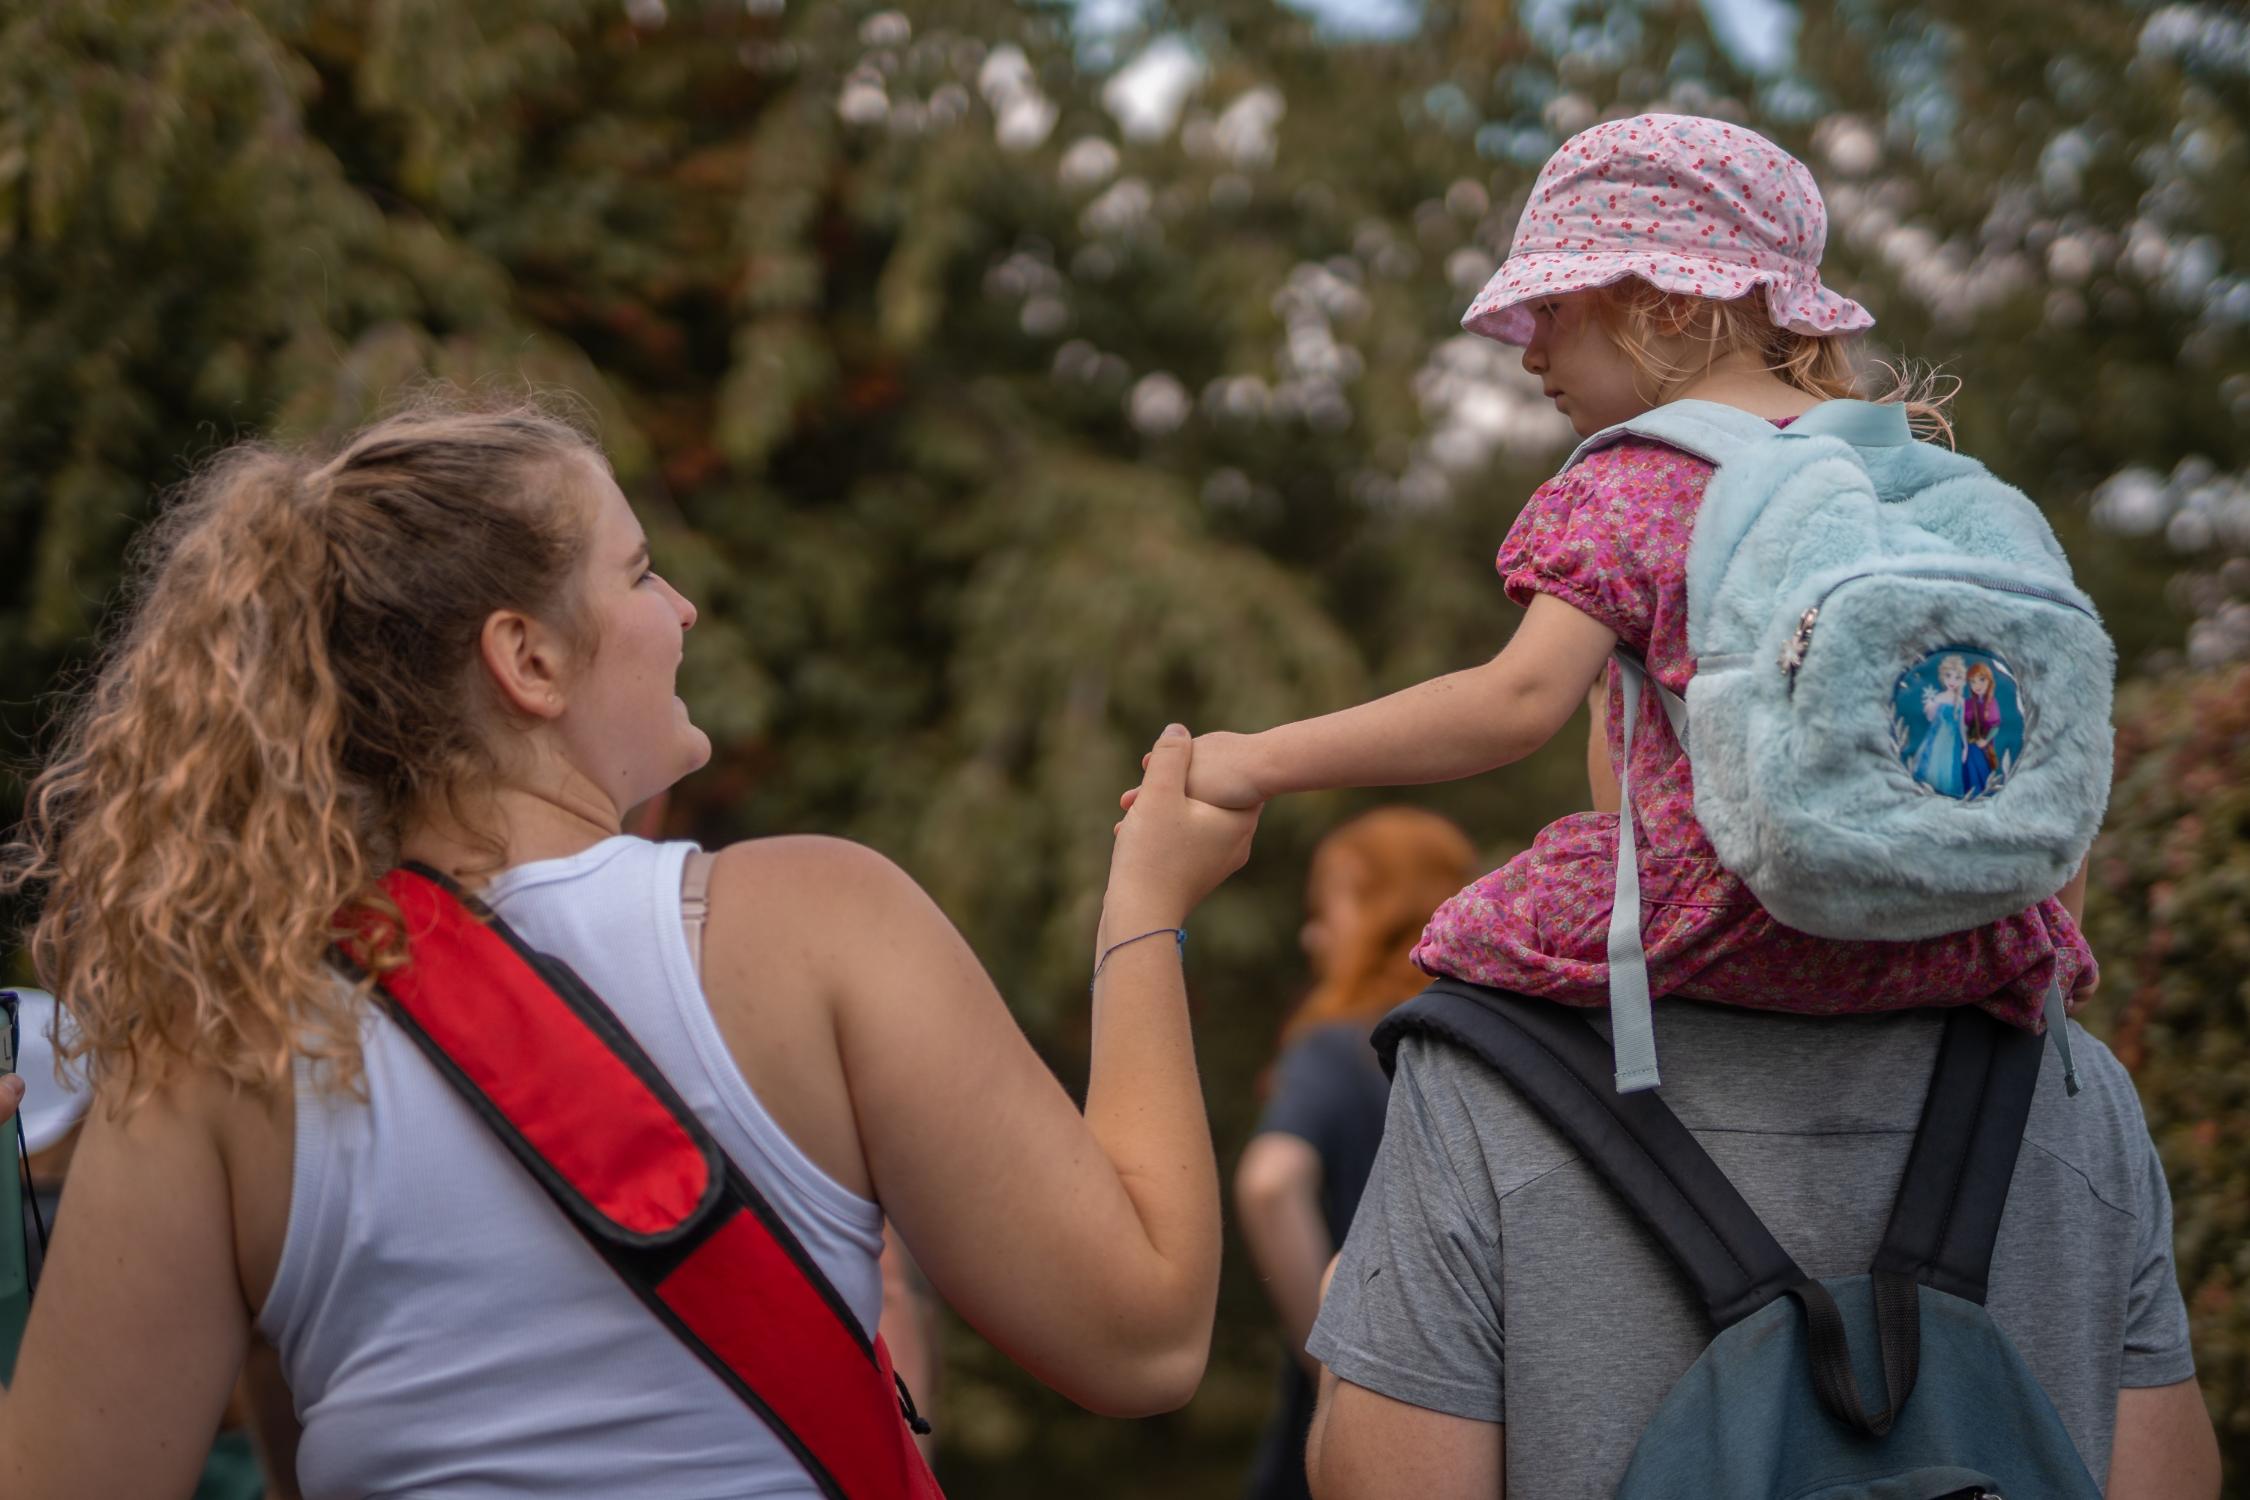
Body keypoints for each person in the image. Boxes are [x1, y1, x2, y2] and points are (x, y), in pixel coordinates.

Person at [0, 396, 1259, 1498]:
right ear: (529, 658)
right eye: (642, 572)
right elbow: (1141, 1340)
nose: (686, 607)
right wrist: (1145, 907)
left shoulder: (219, 1045)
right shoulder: (820, 923)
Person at [1248, 114, 2217, 1495]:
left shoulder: (1641, 483)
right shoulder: (1934, 496)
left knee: (1450, 971)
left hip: (1705, 931)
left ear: (1661, 307)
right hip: (1962, 953)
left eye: (1551, 311)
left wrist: (1250, 759)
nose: (1526, 352)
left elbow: (1509, 706)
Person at [1234, 809, 1477, 1500]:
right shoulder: (1486, 1043)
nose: (1314, 935)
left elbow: (1270, 1183)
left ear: (1379, 905)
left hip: (1350, 1428)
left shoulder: (1337, 1042)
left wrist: (1332, 1364)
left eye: (1329, 909)